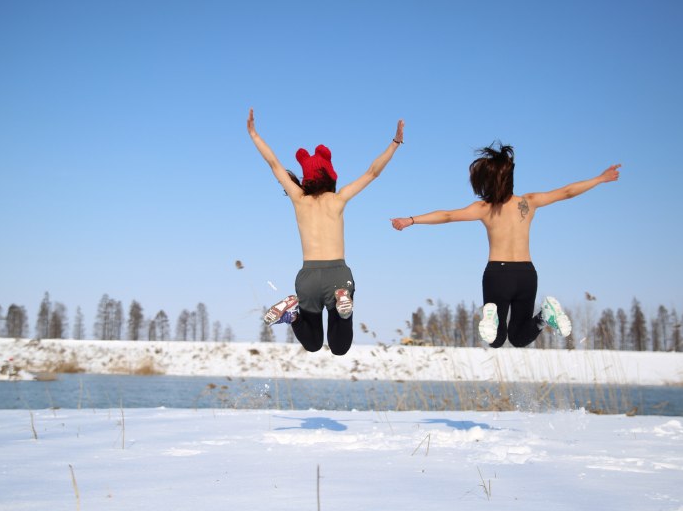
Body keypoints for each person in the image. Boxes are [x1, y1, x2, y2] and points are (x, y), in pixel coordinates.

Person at [391, 143, 620, 348]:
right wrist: (599, 179)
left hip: (497, 274)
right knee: (519, 338)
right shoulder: (528, 202)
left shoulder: (484, 208)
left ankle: (491, 315)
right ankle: (545, 315)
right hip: (526, 274)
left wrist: (411, 220)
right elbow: (567, 192)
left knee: (496, 339)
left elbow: (448, 215)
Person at [247, 108, 405, 355]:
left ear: (307, 177)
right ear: (330, 174)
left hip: (308, 277)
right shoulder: (338, 198)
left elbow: (274, 164)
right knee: (340, 347)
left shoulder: (299, 199)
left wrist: (254, 135)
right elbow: (373, 172)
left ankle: (292, 317)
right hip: (338, 275)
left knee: (311, 345)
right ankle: (344, 308)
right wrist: (395, 143)